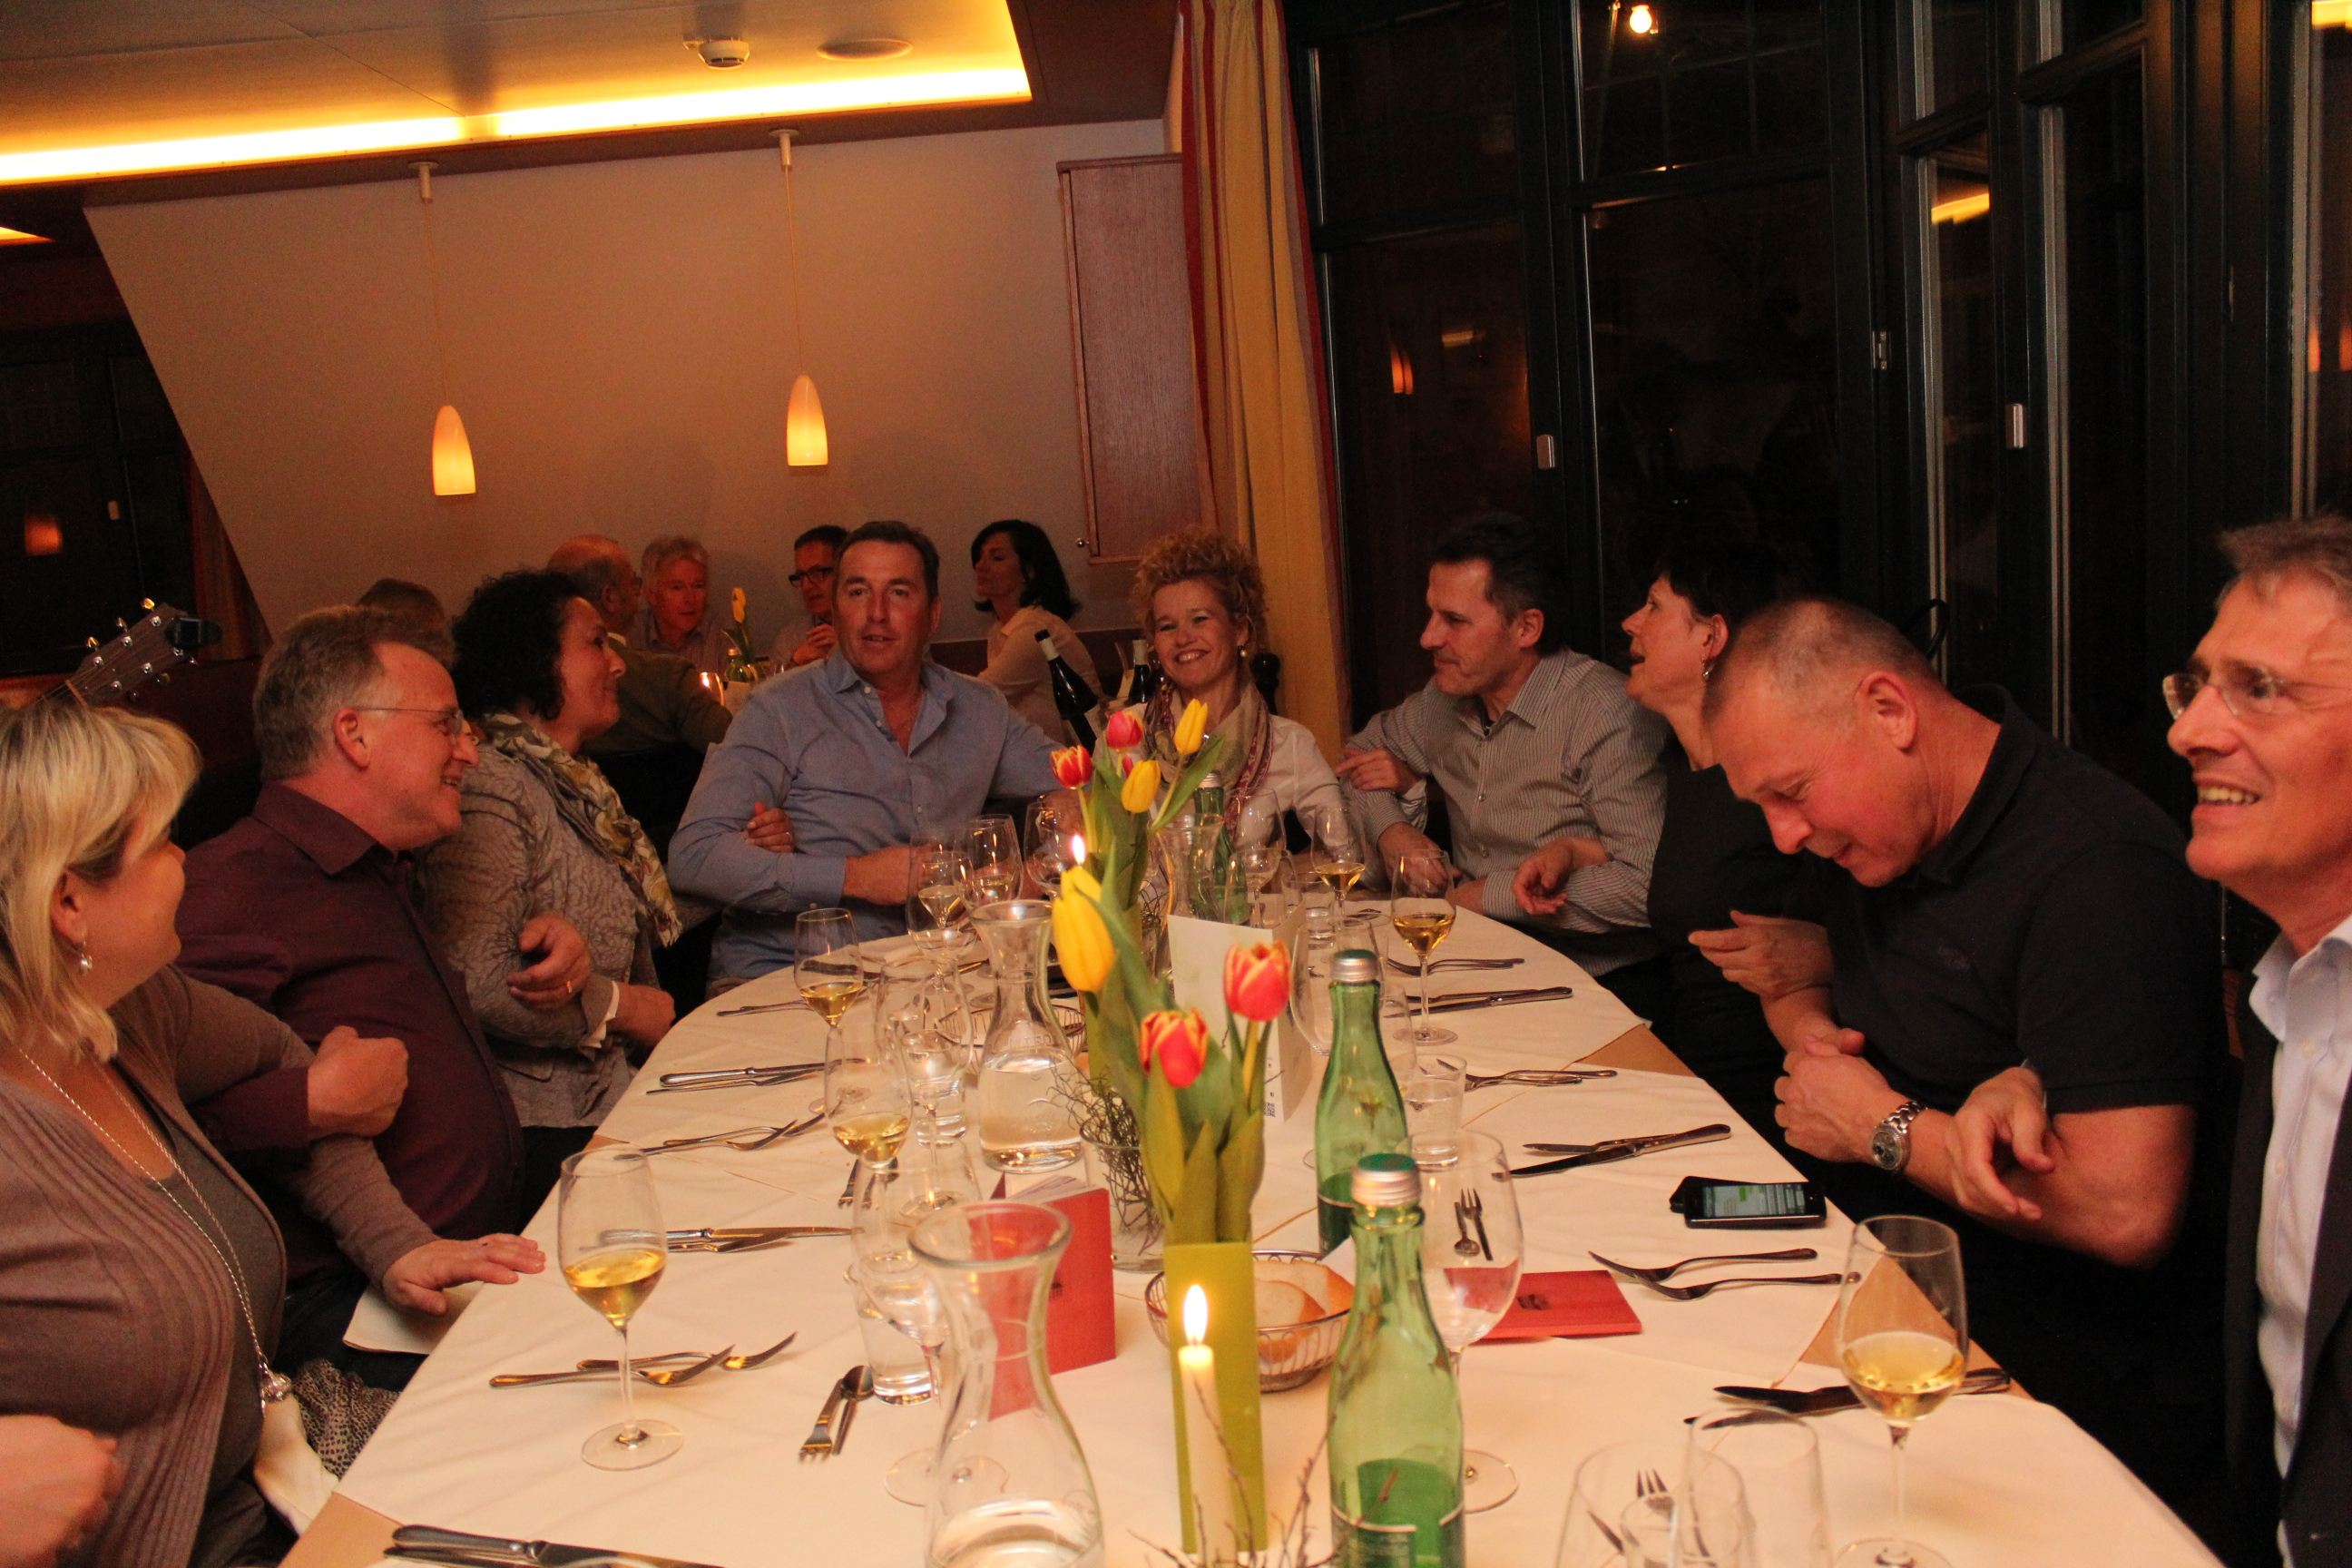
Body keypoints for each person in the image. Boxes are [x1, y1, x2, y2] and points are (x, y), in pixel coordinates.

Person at [1704, 593, 2226, 1520]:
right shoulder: (1874, 824)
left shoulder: (2096, 867)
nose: (1785, 834)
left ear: (1890, 711)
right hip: (1878, 1279)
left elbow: (2126, 1211)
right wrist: (1812, 1033)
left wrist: (1879, 1127)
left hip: (2057, 1371)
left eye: (1791, 794)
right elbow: (1797, 968)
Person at [0, 700, 539, 1568]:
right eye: (163, 842)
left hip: (281, 1490)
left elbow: (282, 1057)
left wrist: (394, 1241)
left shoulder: (134, 1013)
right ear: (68, 901)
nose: (186, 860)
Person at [1956, 516, 2352, 1566]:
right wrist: (2039, 1075)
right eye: (2199, 687)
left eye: (2260, 689)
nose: (2189, 734)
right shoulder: (2289, 994)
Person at [176, 607, 575, 1387]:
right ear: (354, 735)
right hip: (357, 1299)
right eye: (446, 725)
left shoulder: (376, 867)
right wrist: (306, 1106)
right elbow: (147, 1117)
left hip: (469, 1251)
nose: (470, 749)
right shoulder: (235, 885)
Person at [671, 520, 1063, 976]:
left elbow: (1094, 785)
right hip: (795, 977)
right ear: (836, 612)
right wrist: (856, 876)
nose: (876, 612)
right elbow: (694, 857)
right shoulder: (779, 708)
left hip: (934, 972)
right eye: (858, 592)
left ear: (933, 615)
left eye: (899, 592)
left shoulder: (979, 708)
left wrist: (1036, 867)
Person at [1515, 531, 1805, 1144]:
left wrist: (1826, 954)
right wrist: (1574, 850)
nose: (1630, 623)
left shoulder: (1775, 787)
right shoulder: (1684, 763)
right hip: (1688, 1079)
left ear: (1711, 638)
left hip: (1765, 1108)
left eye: (1653, 606)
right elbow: (1697, 863)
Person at [1335, 512, 1669, 1007]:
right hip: (1478, 962)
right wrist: (1394, 833)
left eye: (1455, 621)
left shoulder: (1604, 713)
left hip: (1596, 984)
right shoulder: (1444, 701)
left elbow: (1647, 885)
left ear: (1526, 628)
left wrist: (1489, 895)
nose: (1429, 637)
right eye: (1432, 614)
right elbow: (1358, 755)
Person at [426, 571, 680, 1210]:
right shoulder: (492, 787)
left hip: (614, 1097)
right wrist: (621, 1007)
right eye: (597, 643)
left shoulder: (572, 781)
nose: (618, 663)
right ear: (535, 661)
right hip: (545, 1127)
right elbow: (479, 980)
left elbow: (619, 914)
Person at [1128, 527, 1342, 831]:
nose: (1183, 638)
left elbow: (1344, 848)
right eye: (1167, 626)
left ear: (1240, 630)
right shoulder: (1127, 738)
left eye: (1199, 619)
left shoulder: (1288, 744)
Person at [970, 518, 1097, 740]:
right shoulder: (1000, 630)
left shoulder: (1034, 629)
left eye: (997, 558)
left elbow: (979, 695)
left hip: (1075, 754)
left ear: (1028, 572)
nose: (981, 566)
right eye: (980, 557)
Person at [635, 535, 732, 677]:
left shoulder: (722, 632)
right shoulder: (633, 632)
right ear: (651, 594)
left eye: (698, 586)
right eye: (677, 588)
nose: (690, 599)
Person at [772, 524, 847, 670]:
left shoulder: (875, 628)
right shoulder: (792, 636)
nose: (806, 586)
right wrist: (795, 663)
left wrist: (846, 653)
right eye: (801, 576)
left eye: (818, 572)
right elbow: (773, 683)